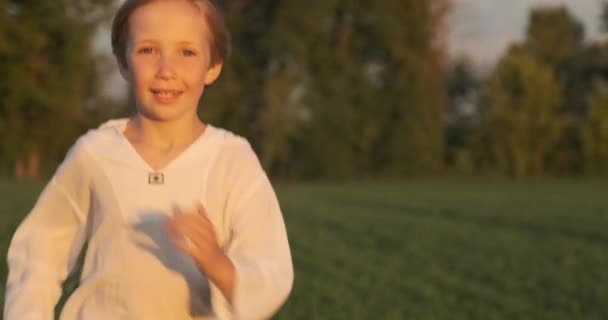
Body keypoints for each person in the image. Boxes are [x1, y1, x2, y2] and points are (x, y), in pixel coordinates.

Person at [3, 0, 294, 319]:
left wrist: (218, 264)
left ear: (213, 66)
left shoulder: (233, 161)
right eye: (148, 50)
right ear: (124, 63)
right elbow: (39, 255)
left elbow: (272, 270)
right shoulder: (96, 153)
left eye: (187, 52)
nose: (166, 71)